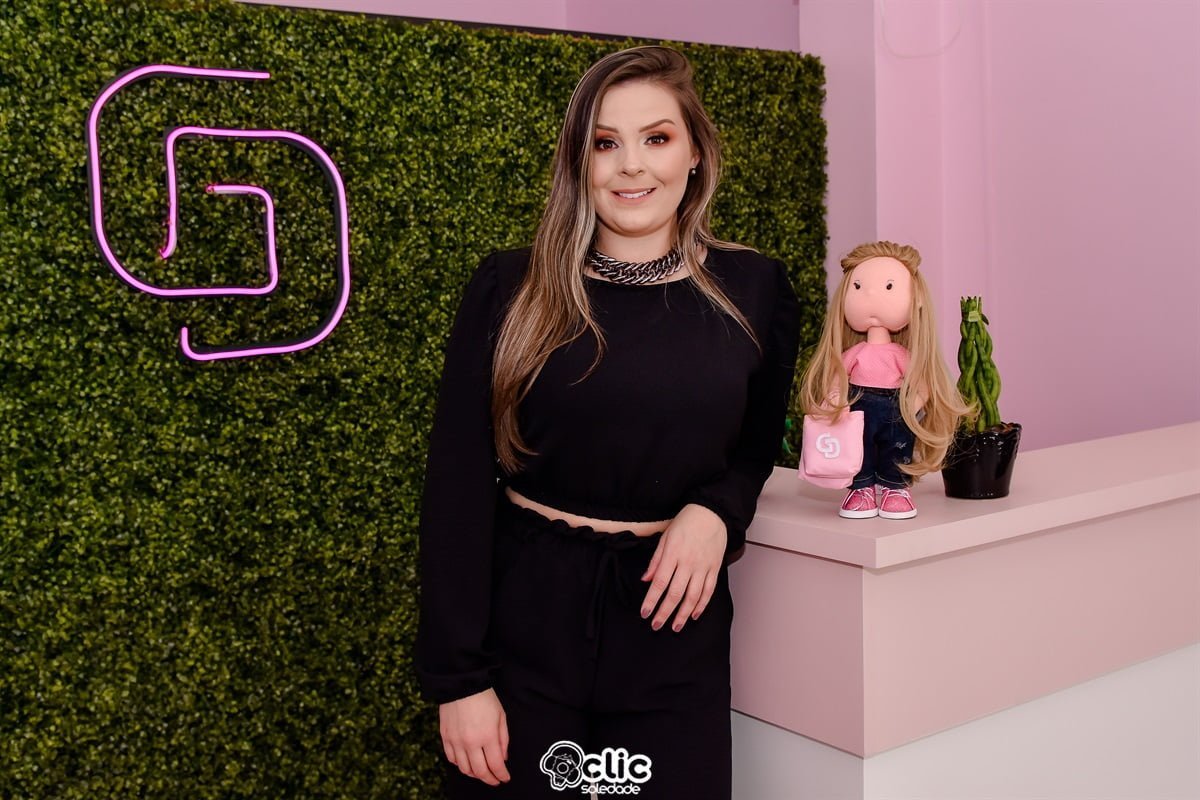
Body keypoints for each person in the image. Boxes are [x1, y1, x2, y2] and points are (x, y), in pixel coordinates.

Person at [416, 45, 801, 799]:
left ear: (695, 153)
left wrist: (717, 512)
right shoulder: (510, 287)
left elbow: (755, 449)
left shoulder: (756, 289)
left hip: (673, 631)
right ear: (578, 161)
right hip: (525, 630)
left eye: (657, 138)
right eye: (604, 142)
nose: (631, 166)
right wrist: (458, 680)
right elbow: (456, 486)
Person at [798, 241, 969, 519]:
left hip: (896, 408)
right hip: (857, 406)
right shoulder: (854, 353)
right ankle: (861, 488)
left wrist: (913, 405)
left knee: (897, 448)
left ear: (917, 300)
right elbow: (837, 380)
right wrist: (834, 399)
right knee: (859, 448)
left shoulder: (902, 355)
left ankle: (895, 488)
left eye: (889, 287)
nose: (871, 296)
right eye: (858, 287)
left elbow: (923, 384)